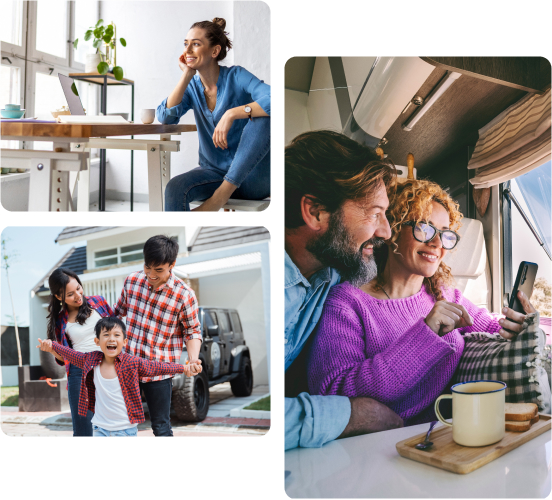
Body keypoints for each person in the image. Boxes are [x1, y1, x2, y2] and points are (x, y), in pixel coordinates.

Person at [308, 179, 538, 425]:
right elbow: (333, 392)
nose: (437, 243)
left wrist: (518, 323)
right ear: (393, 229)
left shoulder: (442, 293)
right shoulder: (347, 303)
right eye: (424, 229)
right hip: (378, 442)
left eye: (445, 234)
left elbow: (495, 328)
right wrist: (426, 332)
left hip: (444, 433)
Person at [284, 130, 404, 450]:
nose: (386, 231)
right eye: (374, 213)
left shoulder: (331, 272)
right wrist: (350, 415)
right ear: (316, 212)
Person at [156, 18, 270, 211]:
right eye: (186, 44)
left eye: (196, 44)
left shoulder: (236, 76)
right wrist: (186, 75)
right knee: (174, 188)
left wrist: (232, 114)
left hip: (252, 178)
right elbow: (165, 117)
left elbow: (273, 97)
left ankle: (219, 198)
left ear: (215, 51)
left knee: (265, 117)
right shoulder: (192, 86)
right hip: (214, 173)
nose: (188, 50)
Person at [37, 317, 196, 437]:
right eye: (106, 335)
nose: (111, 339)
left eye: (116, 335)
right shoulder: (90, 360)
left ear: (124, 341)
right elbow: (71, 354)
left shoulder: (132, 363)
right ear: (97, 341)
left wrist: (183, 368)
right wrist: (52, 346)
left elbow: (157, 367)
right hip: (100, 429)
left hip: (125, 430)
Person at [113, 235, 202, 436]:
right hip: (128, 367)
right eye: (147, 267)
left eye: (158, 270)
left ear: (172, 264)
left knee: (160, 426)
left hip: (159, 371)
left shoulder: (184, 295)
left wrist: (193, 358)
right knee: (122, 423)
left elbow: (192, 330)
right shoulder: (132, 281)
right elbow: (117, 314)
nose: (151, 274)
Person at [45, 268, 114, 436]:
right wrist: (53, 349)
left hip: (108, 368)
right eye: (70, 294)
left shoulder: (99, 302)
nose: (77, 295)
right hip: (80, 372)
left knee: (113, 427)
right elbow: (64, 357)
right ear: (59, 297)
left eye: (78, 288)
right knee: (84, 431)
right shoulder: (60, 320)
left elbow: (116, 331)